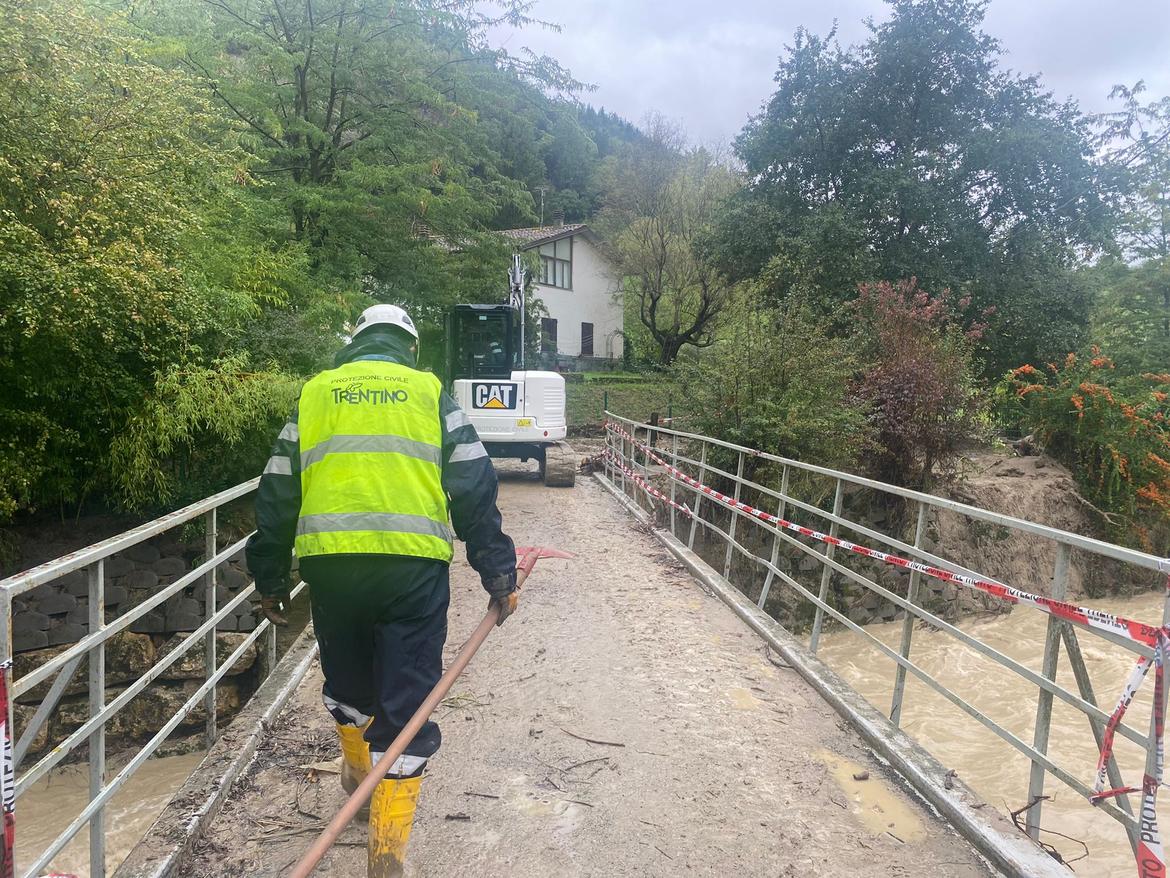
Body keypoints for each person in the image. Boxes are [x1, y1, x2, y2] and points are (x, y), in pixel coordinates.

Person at [245, 303, 517, 875]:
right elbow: (472, 482)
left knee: (346, 681)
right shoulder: (428, 393)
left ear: (356, 342)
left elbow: (276, 493)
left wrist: (269, 578)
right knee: (408, 703)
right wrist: (496, 570)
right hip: (411, 573)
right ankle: (386, 854)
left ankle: (356, 775)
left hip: (333, 570)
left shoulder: (317, 394)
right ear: (409, 347)